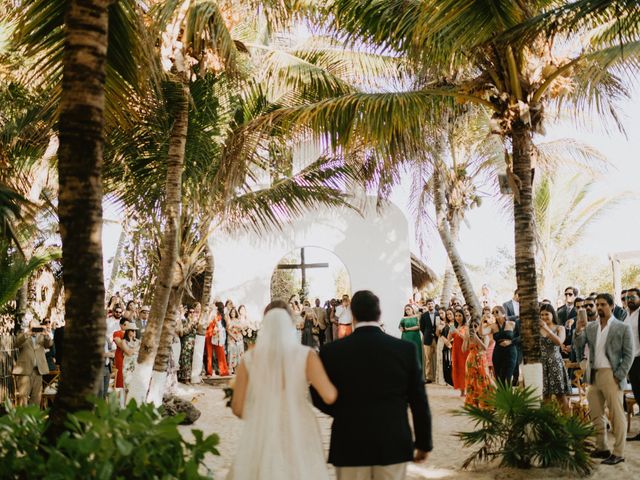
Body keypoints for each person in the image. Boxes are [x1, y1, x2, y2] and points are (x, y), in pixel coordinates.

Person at [311, 290, 432, 480]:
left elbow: (315, 394)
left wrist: (341, 411)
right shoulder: (404, 350)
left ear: (353, 314)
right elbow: (419, 400)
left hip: (349, 441)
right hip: (392, 441)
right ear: (379, 314)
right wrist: (424, 443)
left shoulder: (332, 351)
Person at [228, 308, 337, 480]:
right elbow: (329, 395)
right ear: (290, 327)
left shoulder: (249, 359)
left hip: (263, 428)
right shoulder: (305, 355)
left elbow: (238, 408)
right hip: (300, 426)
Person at [573, 293, 634, 465]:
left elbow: (629, 355)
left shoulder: (622, 328)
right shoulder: (591, 327)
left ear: (611, 306)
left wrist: (619, 375)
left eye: (602, 304)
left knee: (616, 414)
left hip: (611, 375)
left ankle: (619, 452)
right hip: (594, 374)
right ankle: (602, 448)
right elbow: (578, 345)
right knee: (596, 413)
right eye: (597, 305)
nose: (599, 308)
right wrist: (578, 330)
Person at [539, 304, 572, 413]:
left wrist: (546, 328)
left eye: (546, 314)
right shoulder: (537, 329)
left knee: (560, 396)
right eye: (542, 315)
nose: (544, 317)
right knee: (545, 397)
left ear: (552, 315)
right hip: (542, 364)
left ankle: (568, 425)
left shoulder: (559, 328)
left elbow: (559, 341)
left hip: (555, 363)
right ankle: (548, 426)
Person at [13, 320, 53, 406]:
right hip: (25, 371)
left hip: (38, 371)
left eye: (36, 328)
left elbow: (49, 344)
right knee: (23, 396)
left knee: (36, 397)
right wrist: (28, 333)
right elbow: (16, 343)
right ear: (29, 327)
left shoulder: (42, 337)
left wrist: (46, 334)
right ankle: (22, 418)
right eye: (33, 327)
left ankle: (33, 418)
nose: (35, 330)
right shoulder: (24, 335)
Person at [623, 288, 640, 441]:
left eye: (633, 297)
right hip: (631, 361)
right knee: (638, 395)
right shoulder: (626, 315)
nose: (629, 299)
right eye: (627, 297)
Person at [464, 317, 491, 408]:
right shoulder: (469, 337)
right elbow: (464, 349)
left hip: (481, 360)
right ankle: (472, 403)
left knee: (483, 380)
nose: (474, 328)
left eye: (476, 326)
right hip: (470, 360)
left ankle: (484, 402)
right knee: (471, 381)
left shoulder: (485, 336)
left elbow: (484, 348)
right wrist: (466, 338)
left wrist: (476, 337)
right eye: (472, 327)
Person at [490, 305, 519, 386]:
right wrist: (482, 320)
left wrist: (510, 342)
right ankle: (500, 396)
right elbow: (482, 333)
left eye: (496, 311)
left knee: (508, 377)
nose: (494, 313)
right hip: (498, 352)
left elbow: (520, 337)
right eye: (493, 312)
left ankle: (508, 397)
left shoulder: (512, 324)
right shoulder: (493, 326)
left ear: (503, 313)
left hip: (510, 352)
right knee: (499, 378)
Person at [449, 308, 469, 397]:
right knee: (457, 368)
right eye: (456, 316)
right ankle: (461, 390)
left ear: (463, 316)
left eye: (460, 316)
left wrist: (457, 332)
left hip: (464, 350)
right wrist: (450, 331)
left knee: (464, 369)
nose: (458, 317)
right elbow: (449, 338)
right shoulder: (455, 326)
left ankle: (467, 389)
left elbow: (466, 338)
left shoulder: (466, 326)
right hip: (455, 350)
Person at [399, 304, 423, 377]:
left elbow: (419, 327)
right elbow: (400, 326)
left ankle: (418, 373)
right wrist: (401, 328)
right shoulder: (403, 318)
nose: (407, 311)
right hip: (405, 337)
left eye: (409, 309)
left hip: (415, 337)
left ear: (412, 309)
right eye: (406, 310)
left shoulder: (417, 317)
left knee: (417, 353)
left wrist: (408, 329)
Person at [419, 299, 438, 383]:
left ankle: (438, 376)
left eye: (432, 303)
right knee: (428, 359)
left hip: (438, 338)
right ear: (427, 305)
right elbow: (422, 327)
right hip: (427, 339)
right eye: (429, 304)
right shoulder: (424, 315)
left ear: (434, 304)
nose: (430, 305)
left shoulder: (439, 313)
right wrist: (426, 333)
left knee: (438, 358)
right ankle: (428, 377)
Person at [178, 306, 198, 383]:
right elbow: (183, 332)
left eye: (194, 312)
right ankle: (185, 378)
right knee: (185, 360)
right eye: (190, 312)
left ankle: (190, 377)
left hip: (193, 343)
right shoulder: (184, 321)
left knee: (191, 360)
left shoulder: (195, 321)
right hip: (186, 343)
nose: (192, 314)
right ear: (188, 313)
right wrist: (190, 325)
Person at [122, 322, 140, 393]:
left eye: (135, 330)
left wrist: (135, 349)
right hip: (127, 364)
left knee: (135, 385)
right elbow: (128, 352)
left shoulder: (138, 341)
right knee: (127, 384)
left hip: (136, 363)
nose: (134, 332)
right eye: (132, 330)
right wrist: (137, 348)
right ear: (128, 331)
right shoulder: (124, 341)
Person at [441, 309, 455, 386]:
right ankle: (448, 380)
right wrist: (446, 341)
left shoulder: (455, 325)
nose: (449, 316)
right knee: (446, 364)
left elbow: (453, 335)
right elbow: (442, 335)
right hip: (446, 346)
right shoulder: (446, 324)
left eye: (450, 314)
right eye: (447, 314)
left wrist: (450, 342)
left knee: (453, 364)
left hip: (453, 346)